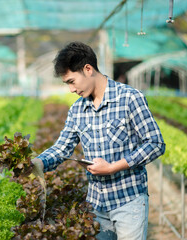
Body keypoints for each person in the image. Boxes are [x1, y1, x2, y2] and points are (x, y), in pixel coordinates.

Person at [31, 41, 166, 240]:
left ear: (88, 69)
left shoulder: (129, 98)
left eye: (71, 81)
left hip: (129, 201)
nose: (71, 89)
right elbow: (62, 147)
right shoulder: (77, 109)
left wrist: (113, 167)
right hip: (95, 204)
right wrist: (38, 163)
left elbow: (155, 143)